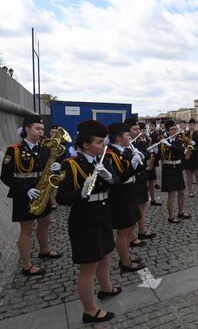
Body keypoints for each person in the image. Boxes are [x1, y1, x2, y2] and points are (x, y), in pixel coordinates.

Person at [56, 120, 119, 324]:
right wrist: (81, 194)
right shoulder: (70, 164)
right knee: (88, 269)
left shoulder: (100, 160)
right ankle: (90, 310)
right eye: (99, 142)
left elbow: (115, 183)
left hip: (103, 214)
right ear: (85, 144)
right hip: (84, 219)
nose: (103, 145)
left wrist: (109, 177)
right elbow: (61, 197)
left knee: (106, 255)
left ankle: (106, 288)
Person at [1, 115, 63, 276]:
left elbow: (46, 170)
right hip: (24, 195)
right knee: (27, 230)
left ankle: (44, 251)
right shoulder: (14, 150)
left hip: (42, 192)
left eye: (42, 129)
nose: (41, 131)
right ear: (27, 129)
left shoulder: (45, 148)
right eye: (37, 128)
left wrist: (56, 168)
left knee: (46, 221)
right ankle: (27, 266)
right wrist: (25, 190)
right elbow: (6, 176)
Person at [105, 122, 145, 273]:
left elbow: (137, 170)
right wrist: (132, 167)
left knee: (130, 227)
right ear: (118, 138)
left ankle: (126, 255)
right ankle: (125, 262)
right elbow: (117, 179)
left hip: (130, 191)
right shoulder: (110, 154)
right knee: (123, 231)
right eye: (127, 135)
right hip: (120, 195)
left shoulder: (125, 150)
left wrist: (140, 161)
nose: (130, 137)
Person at [126, 119, 156, 243]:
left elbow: (145, 155)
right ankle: (132, 236)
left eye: (139, 129)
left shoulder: (140, 141)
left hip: (142, 176)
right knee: (134, 208)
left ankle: (142, 230)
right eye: (135, 129)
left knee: (142, 205)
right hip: (133, 178)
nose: (138, 131)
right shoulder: (127, 145)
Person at [157, 120, 190, 222]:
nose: (174, 130)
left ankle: (181, 212)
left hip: (178, 167)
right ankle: (171, 216)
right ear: (167, 131)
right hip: (168, 169)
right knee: (171, 194)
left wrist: (169, 145)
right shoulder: (162, 142)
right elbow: (159, 156)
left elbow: (180, 150)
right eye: (172, 129)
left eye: (175, 128)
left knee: (181, 192)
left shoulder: (179, 140)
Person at [183, 119, 198, 197]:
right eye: (190, 125)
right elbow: (183, 145)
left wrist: (195, 143)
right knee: (189, 175)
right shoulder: (185, 134)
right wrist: (184, 149)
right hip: (188, 155)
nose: (191, 127)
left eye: (193, 125)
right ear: (188, 126)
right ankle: (190, 191)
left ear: (195, 126)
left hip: (196, 155)